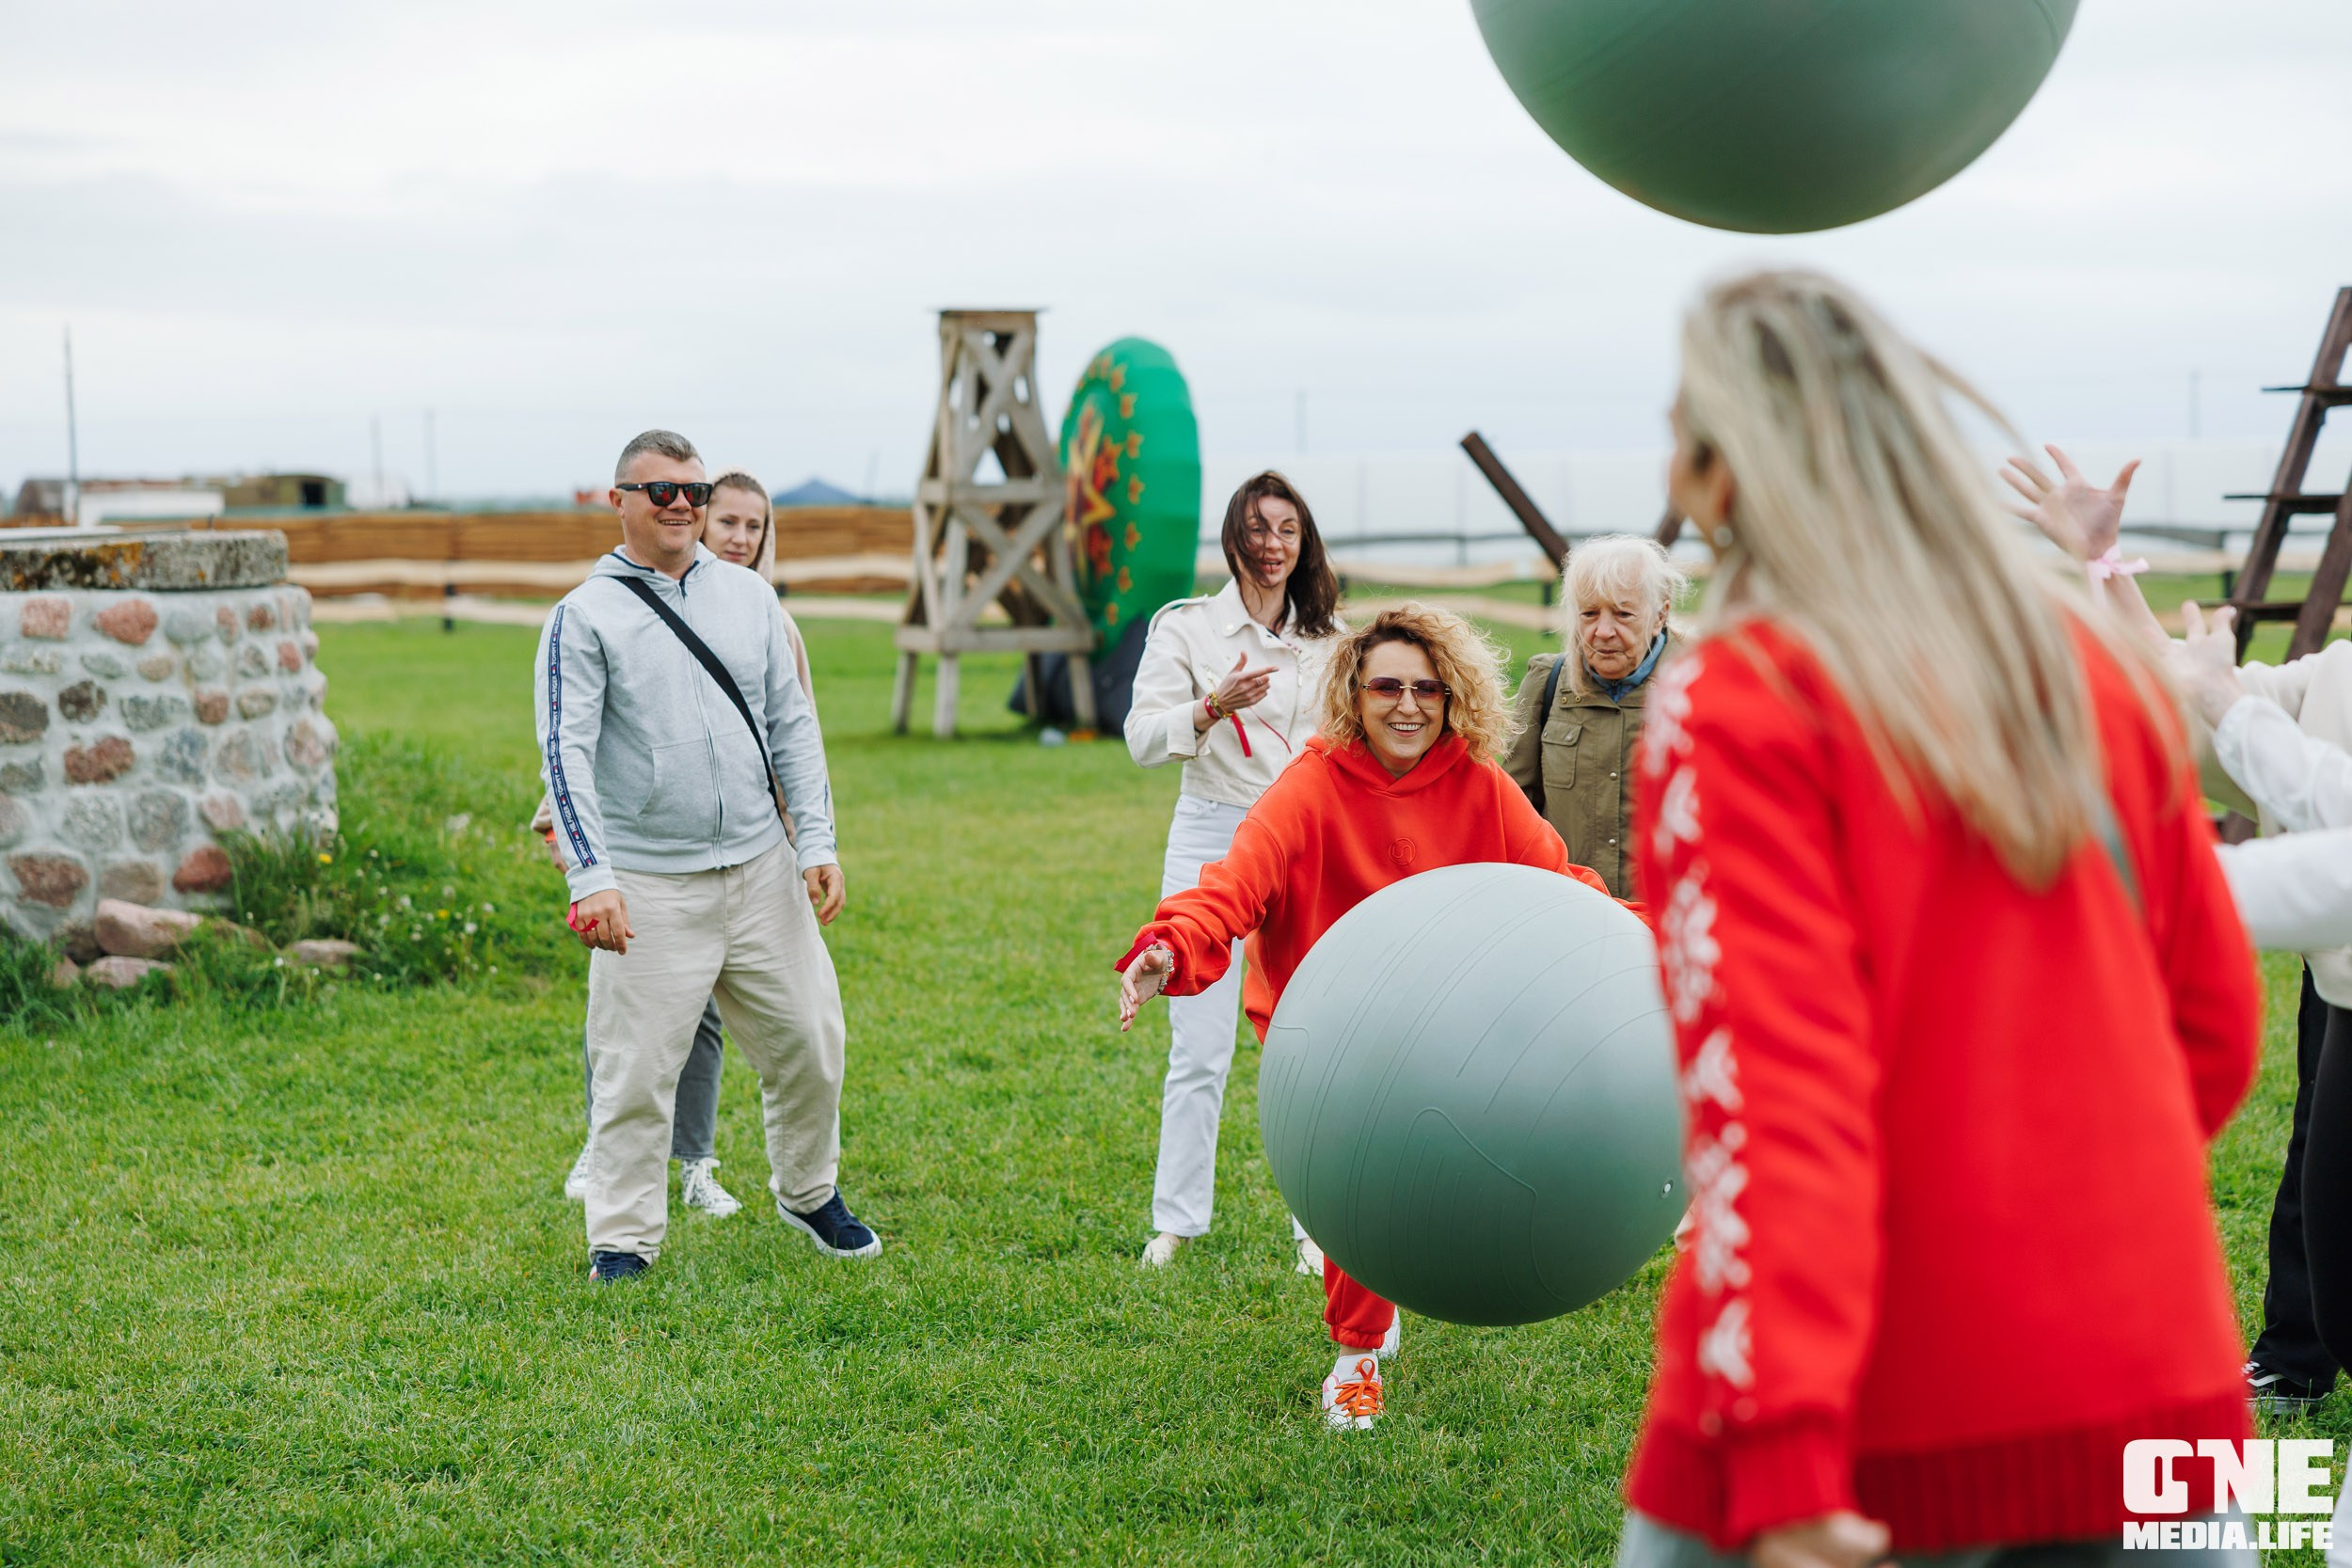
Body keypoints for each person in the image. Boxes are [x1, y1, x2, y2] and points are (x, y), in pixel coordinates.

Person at [1620, 271, 2259, 1568]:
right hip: (2159, 1388)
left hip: (1870, 1418)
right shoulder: (2095, 669)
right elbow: (2214, 1025)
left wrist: (1783, 1432)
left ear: (1717, 475)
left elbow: (1772, 1093)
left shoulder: (1737, 699)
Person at [1117, 603, 1620, 1430]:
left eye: (1427, 688)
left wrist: (1655, 939)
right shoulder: (1312, 784)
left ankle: (1372, 1276)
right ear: (1355, 690)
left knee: (1421, 1179)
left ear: (1453, 695)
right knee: (1360, 1173)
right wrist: (1171, 945)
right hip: (1318, 1023)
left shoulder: (1479, 785)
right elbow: (1234, 883)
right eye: (1387, 685)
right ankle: (1356, 1357)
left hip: (1438, 1018)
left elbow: (1559, 884)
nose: (1408, 705)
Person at [2006, 446, 2349, 1416]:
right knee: (2331, 1240)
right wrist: (2100, 565)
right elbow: (2188, 692)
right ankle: (2301, 1356)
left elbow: (2246, 726)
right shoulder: (2338, 677)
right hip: (2345, 992)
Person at [536, 429, 877, 1283]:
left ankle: (808, 1191)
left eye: (693, 487)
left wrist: (818, 842)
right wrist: (594, 876)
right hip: (649, 880)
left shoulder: (752, 601)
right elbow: (564, 753)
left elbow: (794, 726)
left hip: (763, 867)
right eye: (661, 492)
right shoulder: (584, 615)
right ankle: (622, 1239)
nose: (682, 504)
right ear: (619, 500)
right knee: (636, 1072)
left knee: (811, 1038)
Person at [545, 467, 812, 1221]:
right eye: (725, 520)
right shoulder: (611, 608)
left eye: (752, 526)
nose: (735, 536)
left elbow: (794, 732)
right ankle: (612, 1154)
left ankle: (696, 1161)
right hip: (646, 857)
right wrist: (567, 835)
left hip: (752, 857)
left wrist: (803, 839)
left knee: (726, 1024)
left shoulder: (764, 615)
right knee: (637, 1022)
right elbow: (594, 732)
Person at [1120, 470, 1343, 1274]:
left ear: (1304, 541)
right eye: (1258, 529)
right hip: (1210, 837)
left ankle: (1316, 1225)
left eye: (1288, 530)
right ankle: (1175, 1224)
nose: (1273, 545)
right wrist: (1211, 707)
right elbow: (1142, 739)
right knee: (1201, 1046)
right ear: (1232, 537)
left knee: (1303, 1043)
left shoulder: (1329, 635)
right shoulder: (1186, 628)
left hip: (1298, 841)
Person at [1502, 534, 1686, 898]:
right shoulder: (1547, 685)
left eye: (1623, 614)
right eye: (1588, 614)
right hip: (1572, 916)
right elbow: (1511, 812)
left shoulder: (1700, 685)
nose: (1602, 632)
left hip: (1670, 923)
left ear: (1659, 615)